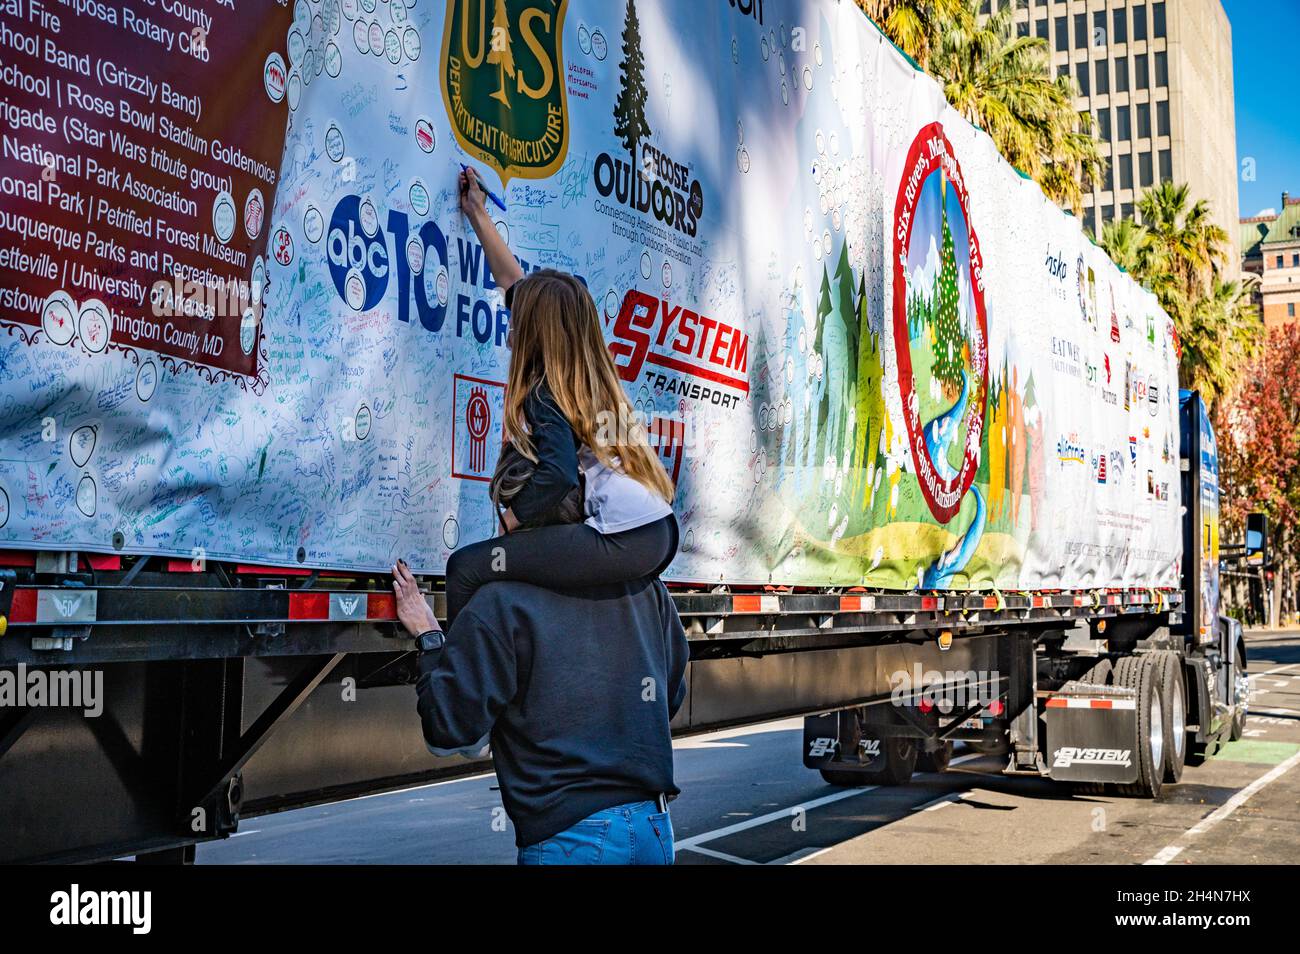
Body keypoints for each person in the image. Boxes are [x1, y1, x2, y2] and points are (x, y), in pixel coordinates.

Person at [443, 167, 679, 628]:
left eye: (518, 322)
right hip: (657, 529)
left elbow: (556, 474)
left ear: (536, 332)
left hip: (622, 538)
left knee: (469, 569)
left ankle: (461, 687)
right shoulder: (584, 375)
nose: (510, 325)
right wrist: (477, 213)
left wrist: (509, 522)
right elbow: (519, 288)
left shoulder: (546, 390)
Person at [391, 541, 689, 865]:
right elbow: (669, 699)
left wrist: (431, 638)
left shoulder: (499, 600)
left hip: (571, 838)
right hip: (652, 828)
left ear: (515, 513)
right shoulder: (648, 588)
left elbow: (449, 731)